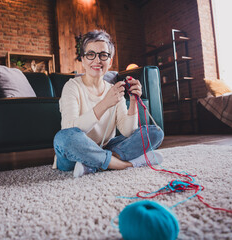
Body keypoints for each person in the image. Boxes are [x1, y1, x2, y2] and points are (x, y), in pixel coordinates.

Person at [53, 29, 164, 177]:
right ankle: (126, 164)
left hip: (104, 147)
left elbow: (128, 131)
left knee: (155, 132)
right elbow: (69, 129)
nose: (97, 60)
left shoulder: (113, 89)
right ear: (83, 60)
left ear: (110, 61)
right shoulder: (72, 87)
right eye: (90, 54)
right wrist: (105, 103)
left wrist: (132, 102)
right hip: (73, 154)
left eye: (103, 55)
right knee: (63, 138)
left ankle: (93, 165)